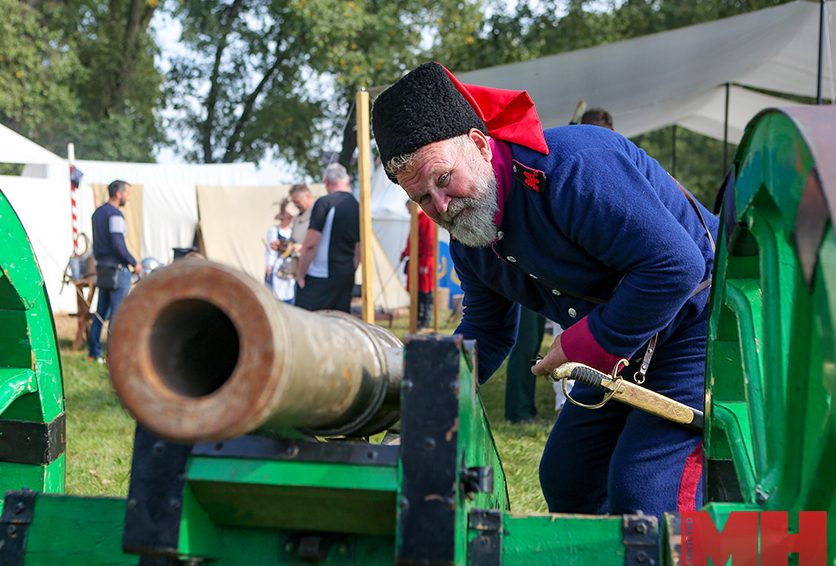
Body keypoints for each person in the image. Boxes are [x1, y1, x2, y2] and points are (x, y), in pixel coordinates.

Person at [371, 62, 718, 520]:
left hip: (700, 327)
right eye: (422, 199)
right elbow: (488, 330)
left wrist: (584, 344)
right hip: (627, 348)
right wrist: (434, 386)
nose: (442, 206)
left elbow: (676, 267)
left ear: (478, 143)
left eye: (442, 180)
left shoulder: (575, 165)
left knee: (646, 491)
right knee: (566, 478)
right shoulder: (469, 242)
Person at [88, 180, 142, 362]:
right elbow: (118, 244)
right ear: (118, 194)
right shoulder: (115, 215)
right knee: (118, 315)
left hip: (102, 267)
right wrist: (135, 263)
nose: (129, 197)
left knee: (100, 312)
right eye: (128, 193)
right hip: (118, 270)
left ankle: (93, 354)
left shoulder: (97, 214)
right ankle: (113, 356)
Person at [295, 164, 360, 313]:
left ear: (327, 181)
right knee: (341, 323)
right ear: (347, 180)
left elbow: (311, 244)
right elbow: (360, 247)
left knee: (306, 322)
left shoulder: (325, 202)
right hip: (345, 276)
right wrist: (350, 269)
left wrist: (300, 275)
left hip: (320, 276)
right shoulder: (358, 206)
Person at [400, 200, 435, 330]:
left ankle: (425, 321)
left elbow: (429, 243)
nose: (409, 212)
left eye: (409, 209)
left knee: (424, 292)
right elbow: (412, 240)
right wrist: (404, 253)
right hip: (415, 261)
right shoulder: (416, 219)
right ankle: (417, 319)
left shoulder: (426, 220)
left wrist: (425, 264)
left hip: (422, 262)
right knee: (414, 291)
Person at [265, 198, 298, 303]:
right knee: (276, 294)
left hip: (289, 266)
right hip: (278, 265)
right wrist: (269, 264)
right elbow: (271, 249)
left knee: (290, 292)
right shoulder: (274, 230)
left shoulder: (292, 230)